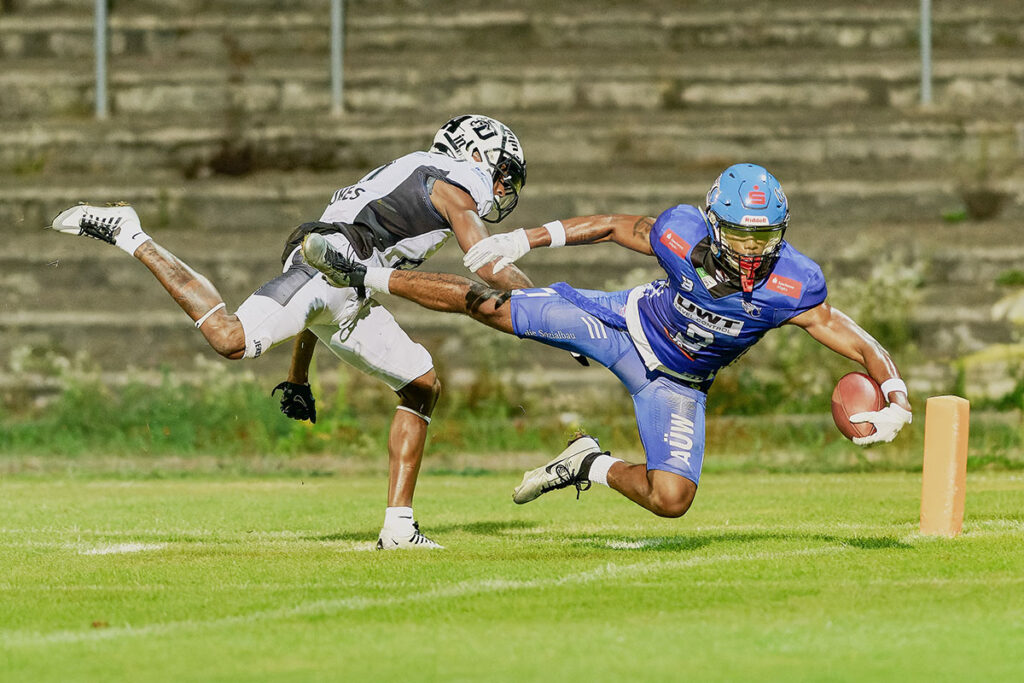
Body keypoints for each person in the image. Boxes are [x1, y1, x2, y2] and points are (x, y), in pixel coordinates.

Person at [298, 163, 914, 518]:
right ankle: (362, 273)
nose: (753, 250)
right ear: (715, 223)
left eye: (765, 237)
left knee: (672, 500)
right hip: (622, 324)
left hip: (679, 382)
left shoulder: (793, 283)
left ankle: (587, 460)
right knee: (494, 307)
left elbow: (849, 335)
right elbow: (615, 226)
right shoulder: (681, 235)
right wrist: (523, 241)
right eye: (741, 235)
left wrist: (893, 391)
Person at [48, 114, 535, 548]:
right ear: (476, 154)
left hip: (347, 281)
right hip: (330, 266)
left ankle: (399, 527)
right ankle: (131, 233)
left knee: (421, 384)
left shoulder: (414, 175)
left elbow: (325, 300)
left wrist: (299, 375)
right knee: (229, 338)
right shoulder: (453, 180)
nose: (501, 189)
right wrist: (549, 308)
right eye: (503, 174)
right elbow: (488, 266)